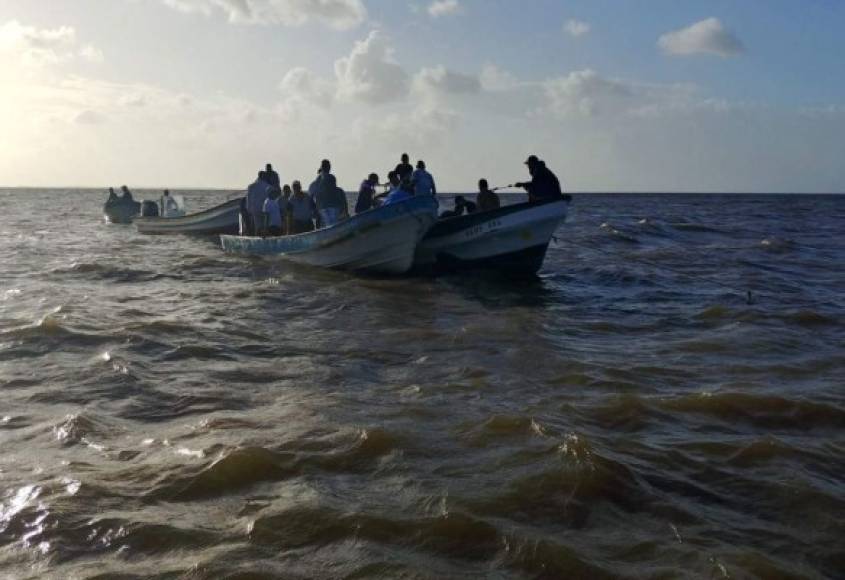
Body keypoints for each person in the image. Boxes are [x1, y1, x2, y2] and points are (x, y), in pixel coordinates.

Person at [312, 159, 348, 228]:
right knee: (333, 226)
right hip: (328, 208)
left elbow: (313, 194)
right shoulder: (330, 178)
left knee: (329, 226)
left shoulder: (320, 180)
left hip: (326, 207)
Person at [246, 171, 270, 236]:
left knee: (257, 227)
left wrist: (249, 209)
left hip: (255, 209)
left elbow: (249, 199)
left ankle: (257, 237)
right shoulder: (268, 186)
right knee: (264, 226)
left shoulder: (251, 186)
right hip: (265, 209)